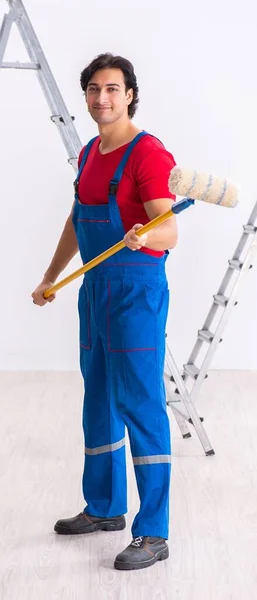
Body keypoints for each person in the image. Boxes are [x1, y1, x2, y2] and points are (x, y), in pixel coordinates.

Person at [32, 52, 178, 571]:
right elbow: (77, 221)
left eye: (113, 89)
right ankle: (105, 508)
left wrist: (145, 236)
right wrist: (51, 277)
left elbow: (171, 231)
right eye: (94, 89)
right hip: (94, 287)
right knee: (98, 398)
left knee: (139, 403)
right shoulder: (91, 152)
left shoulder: (149, 155)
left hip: (136, 289)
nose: (102, 99)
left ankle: (154, 532)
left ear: (130, 94)